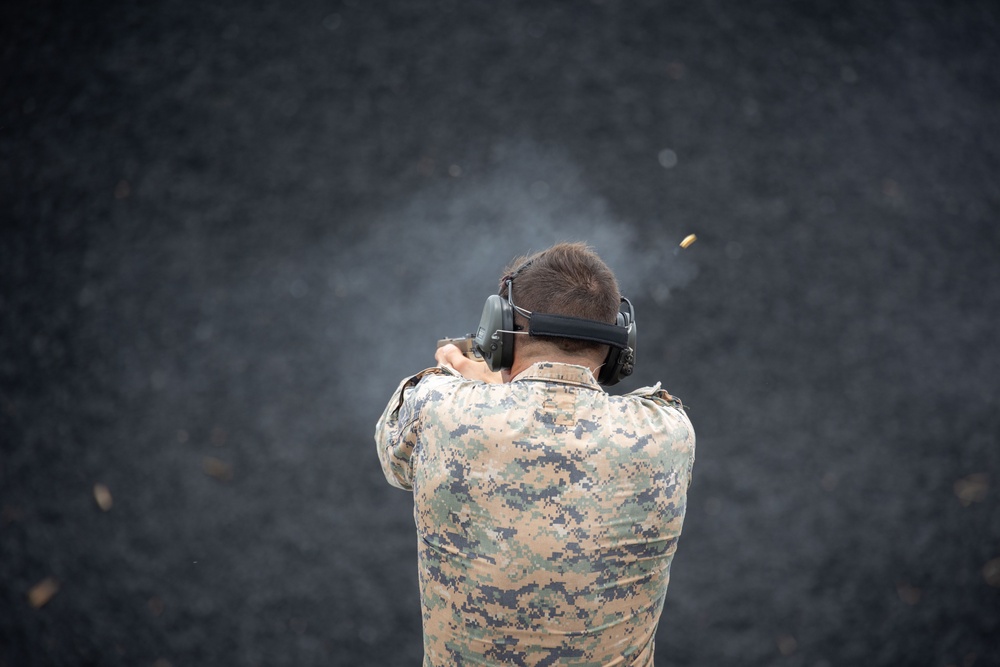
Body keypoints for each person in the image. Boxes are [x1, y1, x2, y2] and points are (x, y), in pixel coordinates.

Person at [375, 242, 695, 666]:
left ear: (499, 327)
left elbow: (395, 461)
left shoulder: (438, 408)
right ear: (620, 347)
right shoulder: (668, 433)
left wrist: (484, 385)